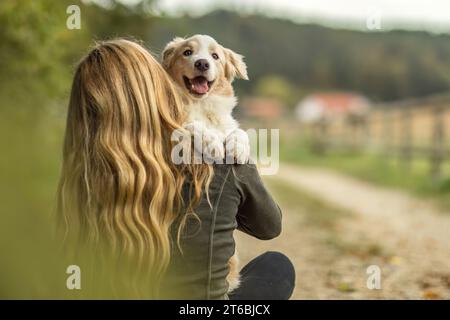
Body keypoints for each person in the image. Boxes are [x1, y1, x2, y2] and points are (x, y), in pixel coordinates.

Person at [57, 39, 295, 299]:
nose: (201, 61)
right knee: (276, 267)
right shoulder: (217, 161)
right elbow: (269, 227)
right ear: (157, 85)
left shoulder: (78, 179)